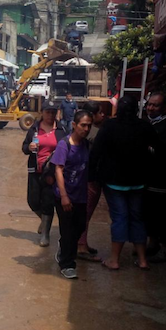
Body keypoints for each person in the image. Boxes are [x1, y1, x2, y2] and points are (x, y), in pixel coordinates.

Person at [90, 95, 158, 270]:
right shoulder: (144, 126)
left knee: (120, 217)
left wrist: (91, 178)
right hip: (138, 181)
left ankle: (114, 259)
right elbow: (157, 147)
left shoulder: (109, 126)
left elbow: (95, 153)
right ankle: (143, 260)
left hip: (114, 182)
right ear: (136, 109)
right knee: (137, 218)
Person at [52, 110, 93, 279]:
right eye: (83, 125)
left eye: (89, 126)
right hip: (64, 196)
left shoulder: (86, 145)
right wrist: (63, 196)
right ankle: (67, 264)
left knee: (80, 227)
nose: (86, 129)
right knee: (68, 231)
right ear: (74, 125)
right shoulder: (64, 144)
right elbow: (58, 170)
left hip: (81, 196)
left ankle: (63, 248)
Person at [22, 101, 67, 247]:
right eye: (48, 112)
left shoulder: (61, 129)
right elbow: (24, 148)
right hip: (35, 170)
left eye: (53, 112)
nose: (51, 115)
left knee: (48, 202)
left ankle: (46, 234)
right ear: (42, 112)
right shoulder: (34, 129)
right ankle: (44, 220)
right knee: (33, 201)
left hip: (52, 173)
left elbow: (67, 148)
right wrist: (29, 147)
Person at [143, 92, 166, 263]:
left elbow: (165, 152)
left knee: (163, 213)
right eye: (149, 104)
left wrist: (153, 148)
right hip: (146, 177)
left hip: (163, 177)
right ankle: (153, 243)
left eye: (155, 105)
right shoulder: (145, 124)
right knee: (149, 211)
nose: (151, 108)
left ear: (165, 107)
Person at [76, 101, 105, 261]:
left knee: (84, 213)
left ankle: (83, 244)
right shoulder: (93, 133)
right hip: (90, 178)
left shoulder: (85, 131)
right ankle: (81, 246)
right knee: (85, 213)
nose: (103, 115)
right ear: (92, 115)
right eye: (100, 112)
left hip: (86, 177)